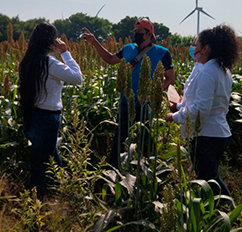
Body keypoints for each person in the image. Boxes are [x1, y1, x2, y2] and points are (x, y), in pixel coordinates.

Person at [81, 18, 175, 167]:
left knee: (145, 143)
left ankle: (144, 174)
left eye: (140, 32)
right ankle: (113, 173)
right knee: (119, 142)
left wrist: (155, 92)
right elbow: (110, 59)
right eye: (135, 31)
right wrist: (94, 43)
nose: (136, 34)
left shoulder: (162, 53)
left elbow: (170, 78)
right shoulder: (128, 48)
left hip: (147, 107)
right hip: (126, 103)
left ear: (149, 34)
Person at [166, 24, 239, 206]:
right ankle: (220, 212)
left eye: (195, 44)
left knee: (208, 179)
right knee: (209, 176)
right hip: (216, 132)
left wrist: (174, 117)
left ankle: (227, 213)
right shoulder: (218, 69)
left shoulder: (208, 71)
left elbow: (201, 110)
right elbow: (199, 101)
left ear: (206, 48)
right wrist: (179, 106)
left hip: (207, 135)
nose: (193, 47)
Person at [18, 22, 83, 198]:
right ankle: (36, 203)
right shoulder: (49, 63)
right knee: (41, 166)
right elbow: (78, 78)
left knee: (51, 157)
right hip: (47, 119)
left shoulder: (27, 62)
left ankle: (66, 192)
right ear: (51, 41)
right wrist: (65, 53)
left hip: (32, 116)